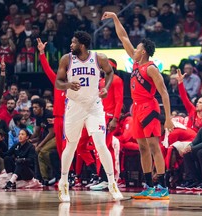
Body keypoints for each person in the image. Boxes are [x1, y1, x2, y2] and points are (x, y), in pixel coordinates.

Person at [101, 12, 174, 200]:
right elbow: (123, 36)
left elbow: (164, 92)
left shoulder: (150, 67)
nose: (134, 49)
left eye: (138, 47)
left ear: (143, 51)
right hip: (137, 109)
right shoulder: (135, 63)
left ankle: (163, 187)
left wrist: (169, 118)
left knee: (154, 147)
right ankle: (149, 185)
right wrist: (115, 18)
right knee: (142, 147)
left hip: (149, 108)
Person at [55, 31, 123, 202]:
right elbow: (57, 82)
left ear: (82, 45)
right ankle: (63, 183)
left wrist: (106, 87)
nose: (71, 45)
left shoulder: (98, 57)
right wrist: (68, 84)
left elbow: (109, 73)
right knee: (71, 145)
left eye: (73, 42)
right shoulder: (66, 59)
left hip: (94, 106)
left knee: (101, 144)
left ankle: (112, 183)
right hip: (74, 107)